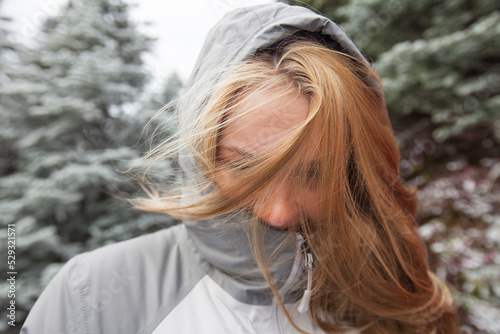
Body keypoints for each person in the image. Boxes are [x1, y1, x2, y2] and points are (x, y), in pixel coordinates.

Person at [21, 3, 458, 333]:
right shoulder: (93, 294)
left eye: (313, 174)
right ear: (200, 153)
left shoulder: (387, 296)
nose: (280, 213)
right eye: (247, 169)